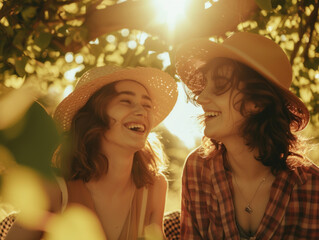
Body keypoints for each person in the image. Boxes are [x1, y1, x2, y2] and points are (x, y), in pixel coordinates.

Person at [6, 65, 178, 240]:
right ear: (95, 115)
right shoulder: (55, 189)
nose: (142, 111)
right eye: (126, 101)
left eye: (146, 105)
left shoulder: (154, 188)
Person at [175, 32, 319, 239]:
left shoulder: (312, 186)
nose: (202, 98)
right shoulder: (197, 168)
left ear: (258, 103)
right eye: (205, 86)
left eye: (220, 85)